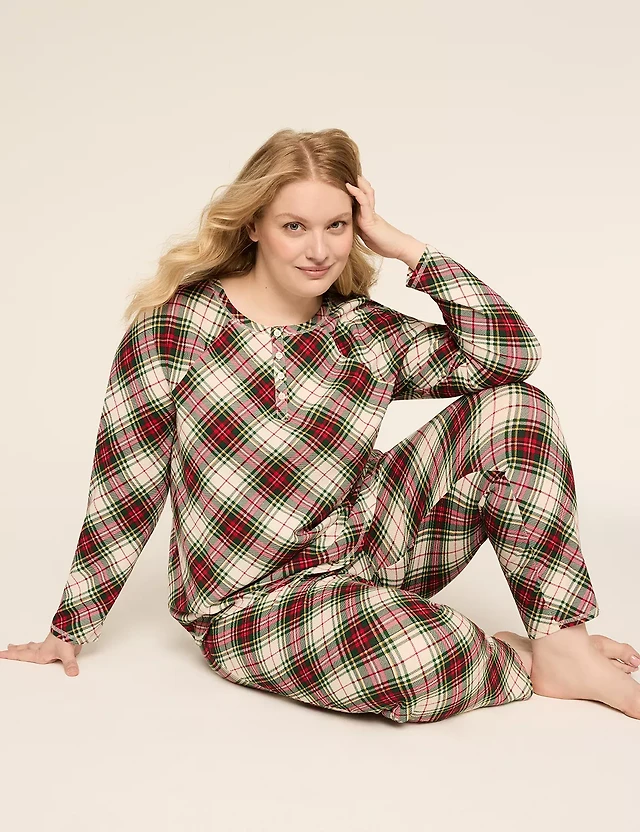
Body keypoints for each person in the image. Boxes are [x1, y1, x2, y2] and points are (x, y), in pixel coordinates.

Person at [2, 128, 639, 723]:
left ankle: (563, 644)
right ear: (253, 225)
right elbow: (127, 480)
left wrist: (406, 247)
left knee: (517, 408)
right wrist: (70, 627)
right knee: (415, 664)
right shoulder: (177, 327)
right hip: (250, 607)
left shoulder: (362, 329)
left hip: (370, 552)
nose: (319, 250)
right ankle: (525, 660)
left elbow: (511, 355)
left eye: (337, 225)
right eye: (294, 226)